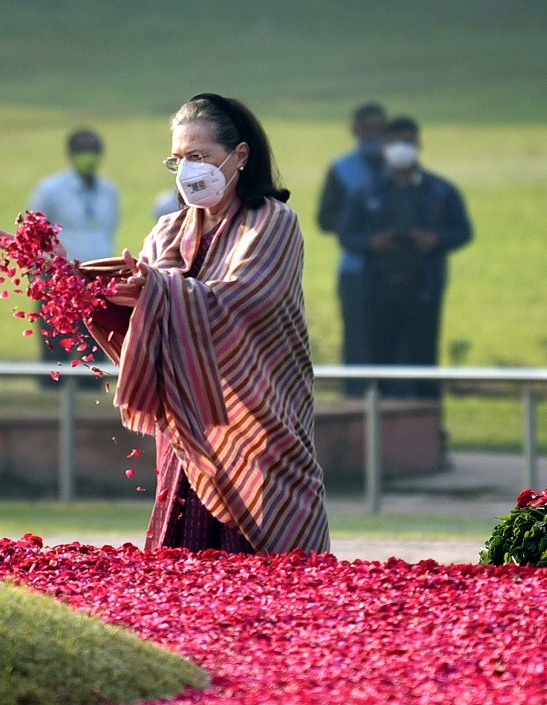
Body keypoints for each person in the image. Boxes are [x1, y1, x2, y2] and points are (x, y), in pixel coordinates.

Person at [85, 93, 329, 554]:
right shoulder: (168, 231)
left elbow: (247, 298)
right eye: (177, 160)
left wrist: (156, 290)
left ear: (240, 155)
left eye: (199, 158)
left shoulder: (273, 223)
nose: (187, 171)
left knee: (271, 572)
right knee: (187, 572)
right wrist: (107, 294)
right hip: (188, 428)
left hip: (258, 420)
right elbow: (149, 322)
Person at [338, 116, 472, 399]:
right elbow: (347, 235)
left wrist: (436, 240)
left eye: (407, 142)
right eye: (394, 142)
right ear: (384, 147)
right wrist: (372, 243)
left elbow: (462, 231)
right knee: (378, 362)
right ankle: (379, 431)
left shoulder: (439, 191)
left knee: (424, 362)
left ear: (418, 145)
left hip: (423, 286)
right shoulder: (367, 192)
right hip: (378, 286)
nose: (401, 148)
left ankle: (427, 431)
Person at [29, 129, 120, 380]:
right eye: (82, 151)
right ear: (70, 154)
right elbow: (36, 232)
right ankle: (52, 394)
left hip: (96, 277)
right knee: (56, 338)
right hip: (59, 277)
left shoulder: (109, 192)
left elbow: (109, 228)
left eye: (92, 150)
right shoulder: (50, 190)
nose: (88, 156)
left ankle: (91, 391)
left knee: (94, 338)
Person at [317, 103, 388, 396]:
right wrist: (358, 229)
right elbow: (325, 218)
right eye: (367, 127)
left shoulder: (397, 168)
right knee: (357, 339)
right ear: (355, 130)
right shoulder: (342, 169)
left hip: (396, 269)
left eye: (379, 128)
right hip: (356, 267)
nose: (373, 134)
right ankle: (356, 401)